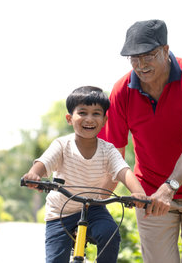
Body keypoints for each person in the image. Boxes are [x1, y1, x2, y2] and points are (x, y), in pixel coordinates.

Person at [98, 19, 182, 262]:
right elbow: (113, 155)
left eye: (148, 55)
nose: (141, 64)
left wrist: (169, 188)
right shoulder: (122, 90)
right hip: (149, 193)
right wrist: (96, 200)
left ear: (166, 50)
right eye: (134, 58)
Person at [21, 86, 148, 263]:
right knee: (55, 260)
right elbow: (44, 162)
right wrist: (34, 174)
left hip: (93, 209)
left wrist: (138, 192)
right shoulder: (62, 145)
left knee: (110, 233)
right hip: (60, 214)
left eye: (96, 113)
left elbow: (123, 170)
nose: (89, 119)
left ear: (104, 120)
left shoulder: (108, 150)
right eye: (82, 112)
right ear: (69, 118)